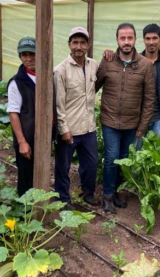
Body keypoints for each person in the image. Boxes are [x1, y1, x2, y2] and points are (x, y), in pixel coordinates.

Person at [96, 23, 155, 213]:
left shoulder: (145, 65)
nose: (126, 42)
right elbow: (93, 87)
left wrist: (143, 126)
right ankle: (107, 195)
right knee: (111, 158)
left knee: (124, 159)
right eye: (123, 38)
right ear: (117, 40)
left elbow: (149, 98)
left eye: (130, 38)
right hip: (110, 121)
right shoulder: (108, 62)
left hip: (132, 123)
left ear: (135, 40)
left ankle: (117, 192)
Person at [54, 27, 100, 208]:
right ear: (69, 45)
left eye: (82, 42)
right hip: (69, 129)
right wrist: (63, 129)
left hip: (89, 128)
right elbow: (58, 103)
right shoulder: (60, 70)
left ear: (88, 45)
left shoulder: (93, 65)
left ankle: (87, 193)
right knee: (63, 167)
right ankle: (62, 199)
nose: (78, 46)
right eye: (75, 42)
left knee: (91, 164)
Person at [7, 37, 38, 196]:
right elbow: (13, 113)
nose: (29, 58)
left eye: (32, 53)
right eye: (24, 55)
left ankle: (40, 206)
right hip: (27, 137)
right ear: (20, 57)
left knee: (39, 173)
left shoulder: (47, 76)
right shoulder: (17, 82)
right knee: (26, 176)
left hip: (42, 137)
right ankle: (25, 210)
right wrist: (21, 142)